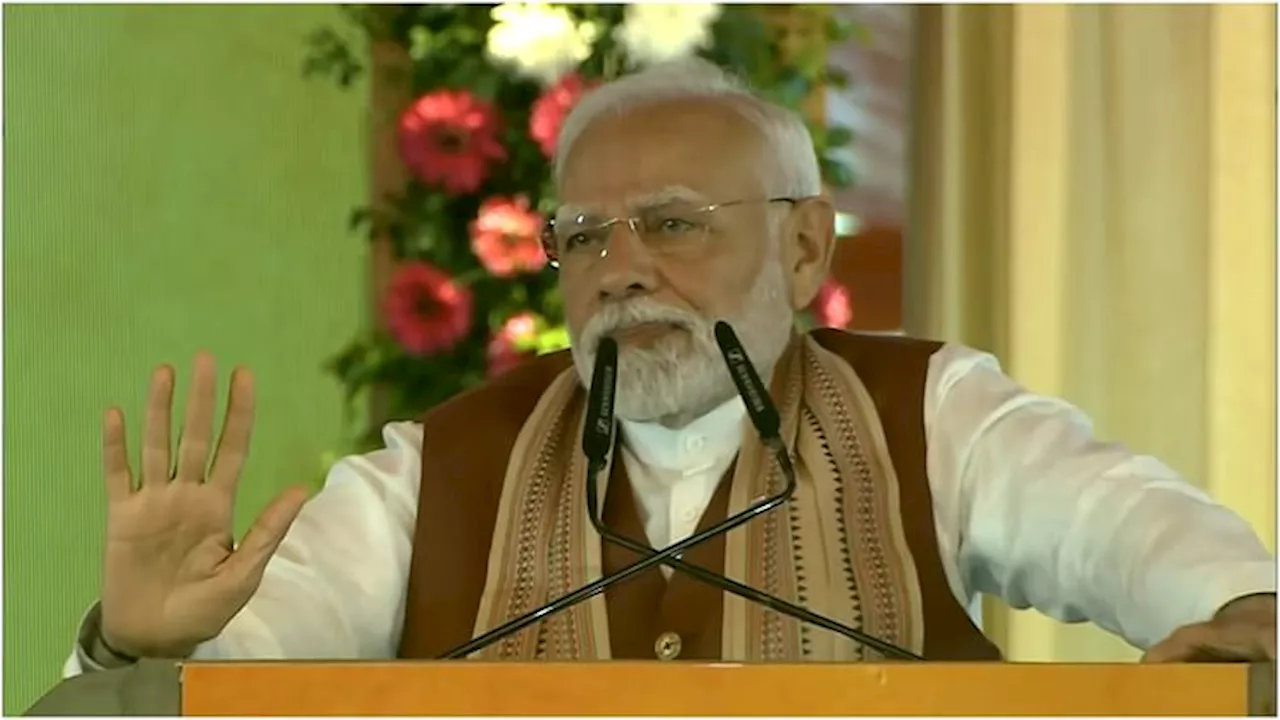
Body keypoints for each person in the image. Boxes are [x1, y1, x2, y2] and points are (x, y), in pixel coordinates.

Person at [64, 58, 1274, 676]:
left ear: (803, 247)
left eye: (673, 223)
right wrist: (138, 650)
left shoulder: (934, 413)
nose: (618, 269)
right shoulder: (440, 466)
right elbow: (243, 662)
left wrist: (1238, 617)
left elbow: (1144, 538)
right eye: (581, 236)